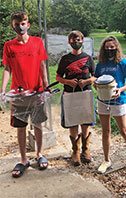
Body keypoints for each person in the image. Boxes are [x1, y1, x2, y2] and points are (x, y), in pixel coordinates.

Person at [0, 11, 49, 178]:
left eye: (23, 24)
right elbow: (7, 68)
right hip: (18, 95)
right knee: (21, 128)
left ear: (28, 25)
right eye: (17, 24)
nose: (20, 27)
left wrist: (46, 85)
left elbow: (42, 65)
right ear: (12, 26)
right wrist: (3, 90)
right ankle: (23, 160)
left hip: (37, 92)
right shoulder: (9, 46)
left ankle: (40, 154)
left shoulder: (37, 42)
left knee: (38, 125)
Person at [94, 36, 126, 174]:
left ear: (116, 48)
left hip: (118, 101)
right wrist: (96, 85)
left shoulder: (123, 63)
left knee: (123, 130)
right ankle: (106, 160)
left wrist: (120, 89)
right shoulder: (100, 64)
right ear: (103, 49)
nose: (109, 50)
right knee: (105, 131)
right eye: (107, 48)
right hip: (102, 100)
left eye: (112, 47)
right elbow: (96, 80)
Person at [56, 30, 96, 166]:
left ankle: (86, 150)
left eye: (78, 39)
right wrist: (68, 82)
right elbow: (58, 77)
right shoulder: (65, 59)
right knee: (73, 123)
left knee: (85, 123)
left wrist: (88, 81)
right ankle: (75, 151)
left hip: (85, 93)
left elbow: (95, 76)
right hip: (70, 94)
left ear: (82, 41)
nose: (76, 42)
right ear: (69, 42)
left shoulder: (88, 58)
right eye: (73, 40)